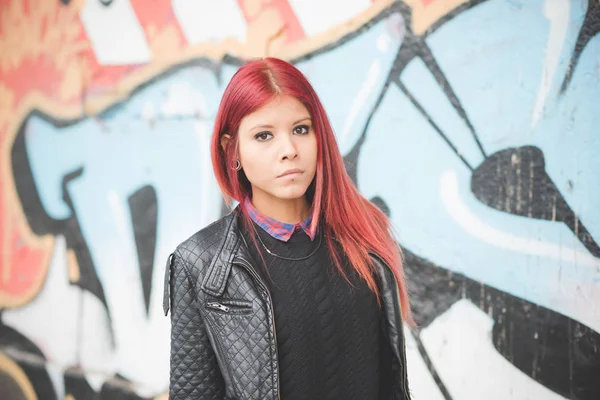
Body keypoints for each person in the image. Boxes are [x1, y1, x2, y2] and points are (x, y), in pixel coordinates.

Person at [163, 57, 413, 400]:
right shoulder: (200, 262)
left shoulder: (364, 234)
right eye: (264, 135)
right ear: (231, 148)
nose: (289, 151)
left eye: (301, 129)